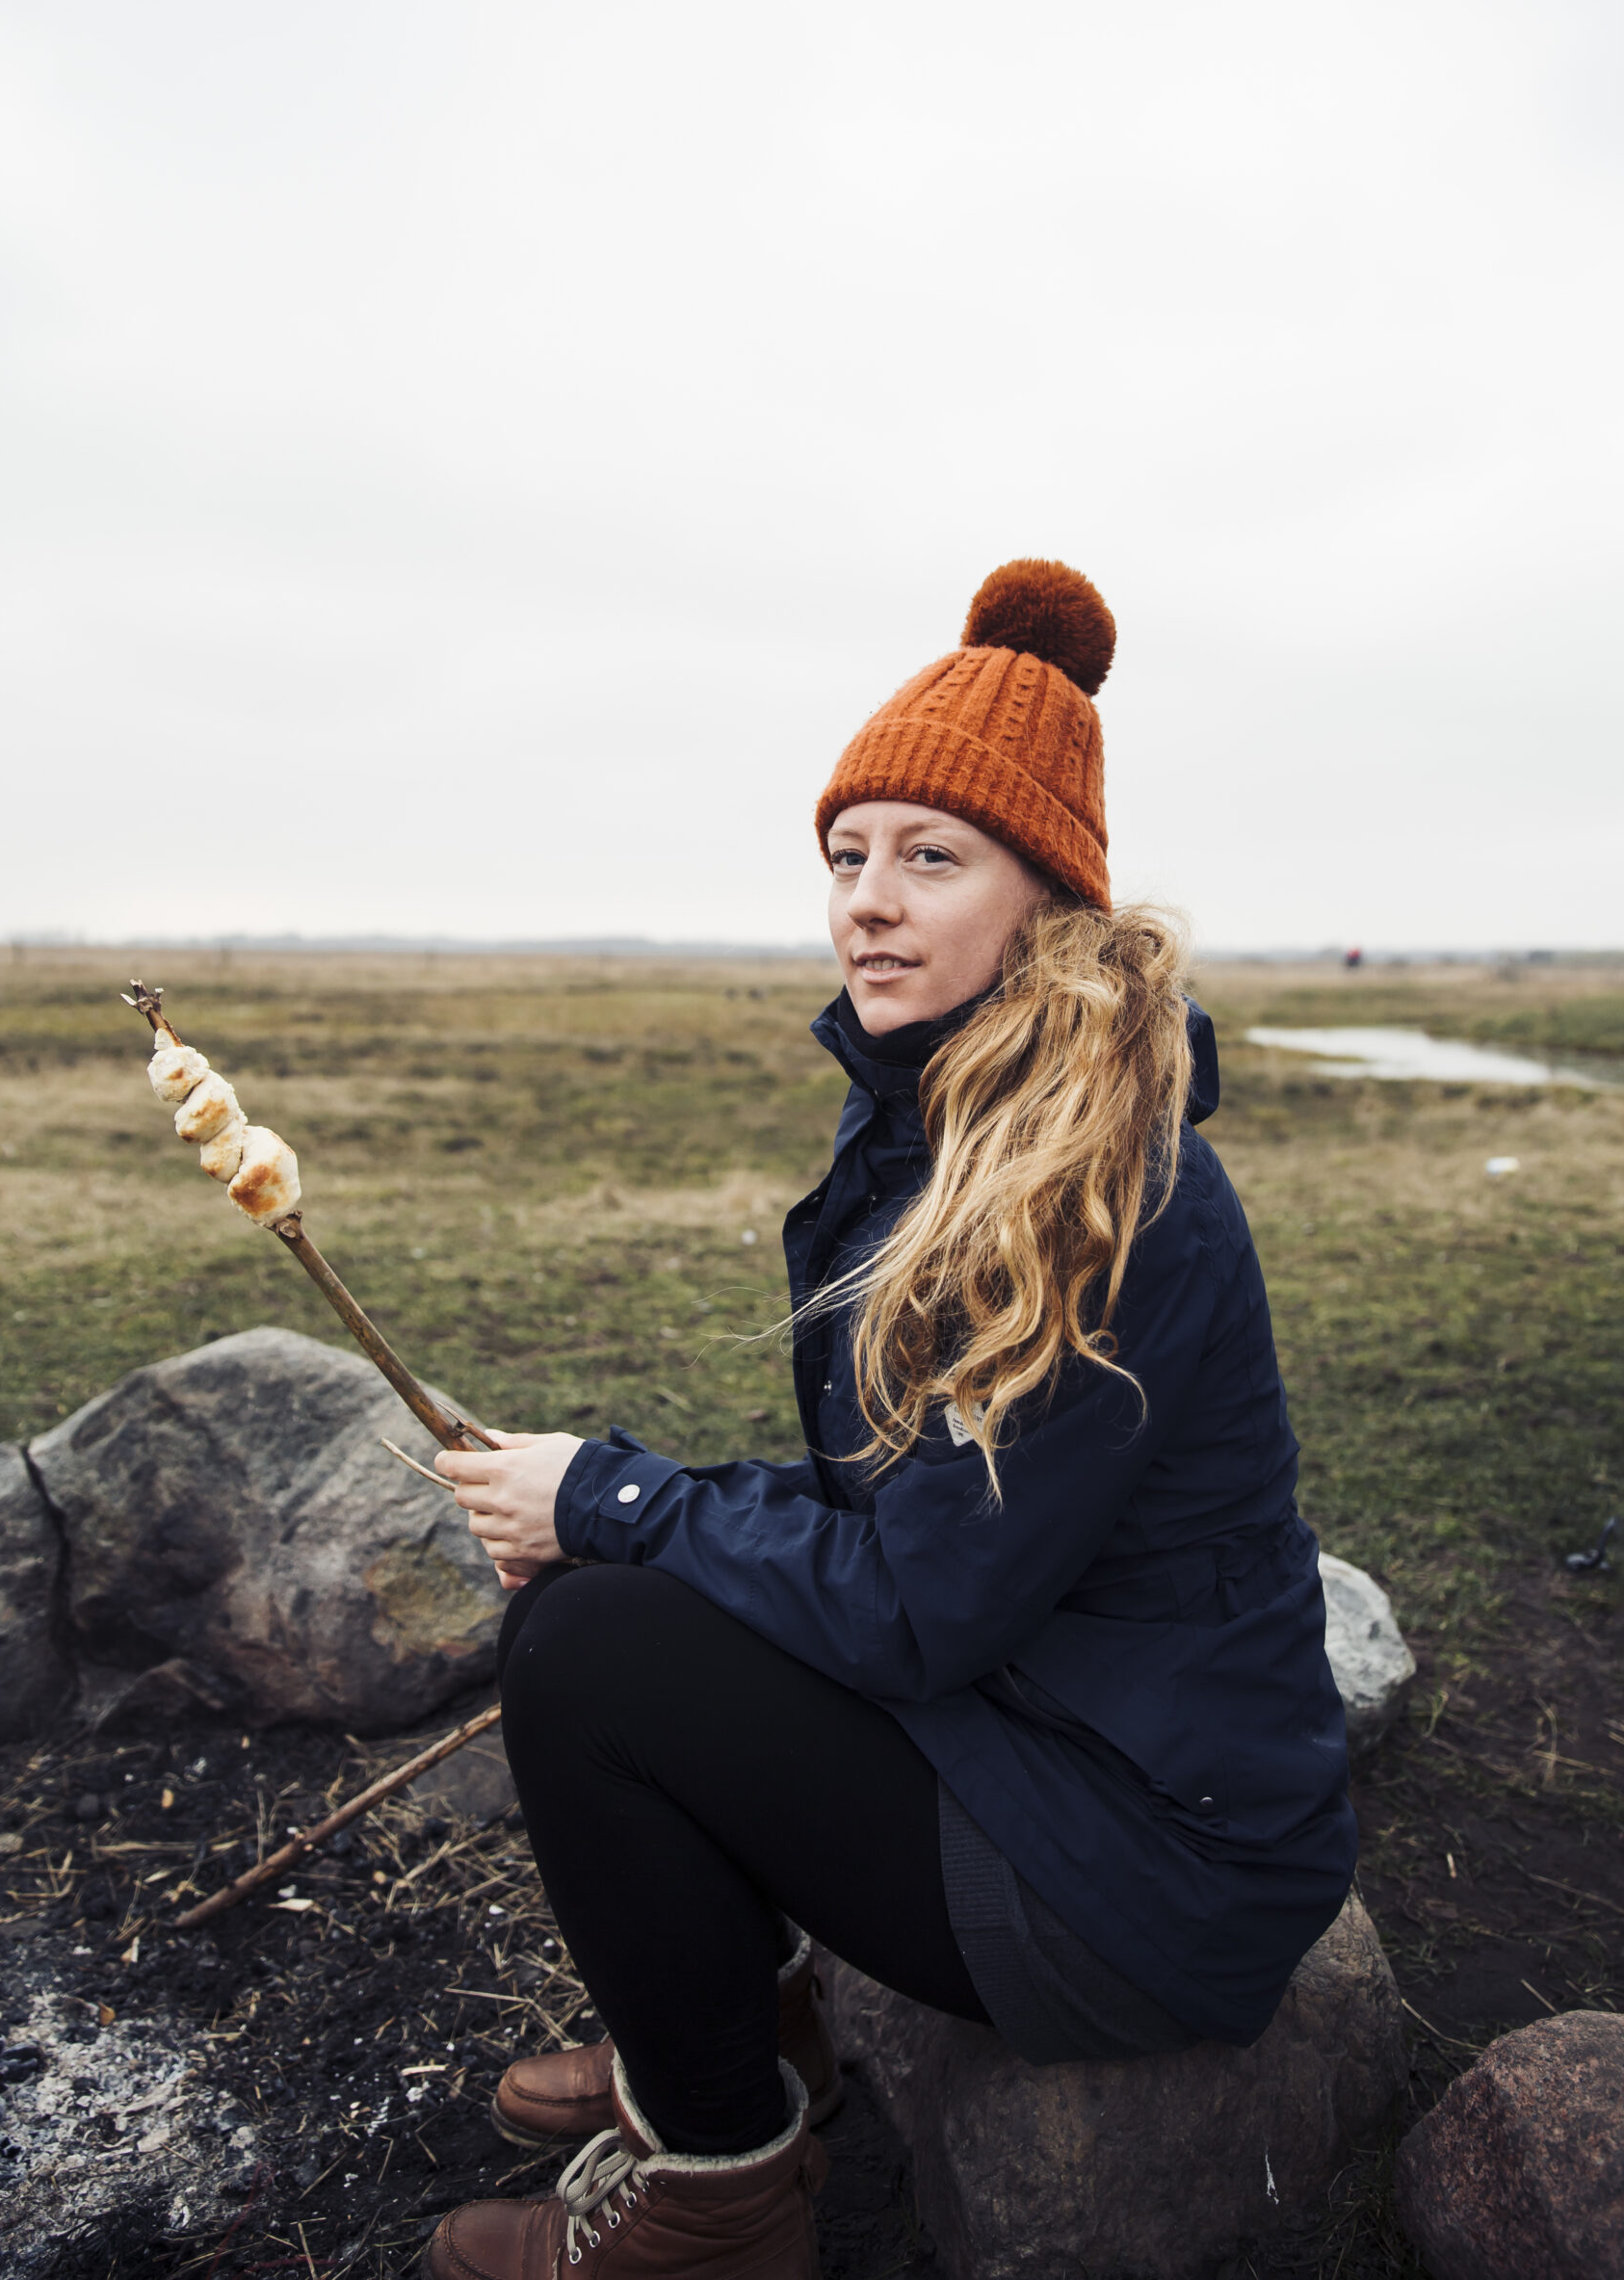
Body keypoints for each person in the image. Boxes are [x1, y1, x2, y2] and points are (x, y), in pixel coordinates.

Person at [421, 559, 1356, 2280]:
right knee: (602, 1596)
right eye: (849, 856)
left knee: (590, 1652)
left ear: (1047, 900)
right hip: (1058, 1732)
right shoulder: (952, 1130)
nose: (868, 901)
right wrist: (617, 1509)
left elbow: (923, 1605)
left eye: (932, 858)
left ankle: (717, 2204)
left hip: (1147, 1864)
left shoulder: (1099, 1193)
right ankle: (742, 2042)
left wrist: (621, 1506)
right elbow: (909, 1510)